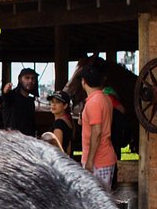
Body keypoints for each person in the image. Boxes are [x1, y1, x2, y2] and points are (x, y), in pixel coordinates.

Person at [79, 61, 118, 189]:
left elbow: (97, 132)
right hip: (106, 156)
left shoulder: (94, 102)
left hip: (98, 160)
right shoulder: (105, 98)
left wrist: (90, 160)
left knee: (95, 204)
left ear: (83, 81)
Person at [0, 67, 39, 136]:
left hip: (28, 141)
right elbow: (5, 97)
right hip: (13, 141)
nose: (30, 81)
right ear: (20, 79)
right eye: (27, 78)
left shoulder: (30, 101)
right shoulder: (11, 96)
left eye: (33, 78)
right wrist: (5, 92)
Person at [42, 89, 75, 155]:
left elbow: (57, 150)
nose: (53, 104)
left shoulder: (59, 123)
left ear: (65, 106)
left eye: (57, 102)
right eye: (52, 102)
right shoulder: (68, 121)